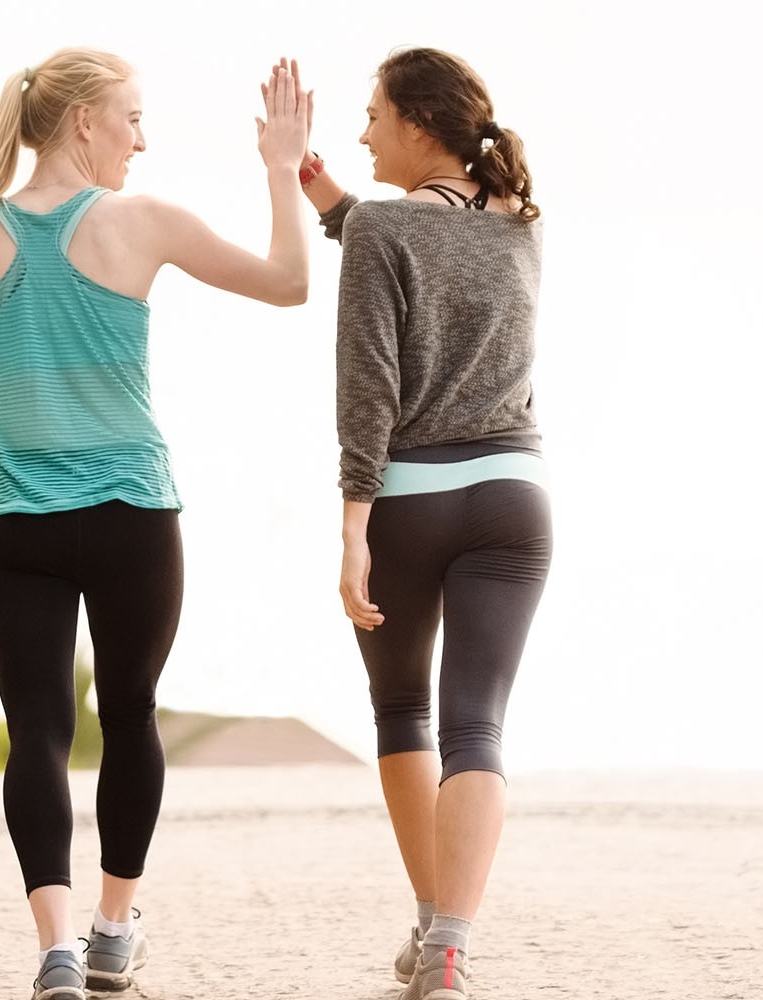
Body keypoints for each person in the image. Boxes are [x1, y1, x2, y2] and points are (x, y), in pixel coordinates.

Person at [0, 48, 315, 1000]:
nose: (141, 137)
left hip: (18, 528)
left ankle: (56, 951)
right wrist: (282, 169)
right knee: (129, 716)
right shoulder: (142, 222)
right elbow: (289, 281)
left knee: (36, 730)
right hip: (132, 514)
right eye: (131, 116)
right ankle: (113, 930)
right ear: (83, 120)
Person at [296, 46, 548, 1000]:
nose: (361, 132)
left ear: (417, 121)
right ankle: (449, 940)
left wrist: (353, 526)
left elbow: (369, 386)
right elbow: (414, 242)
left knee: (405, 712)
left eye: (371, 114)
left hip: (407, 496)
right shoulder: (522, 223)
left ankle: (436, 930)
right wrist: (320, 190)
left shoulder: (382, 233)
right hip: (516, 498)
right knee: (476, 722)